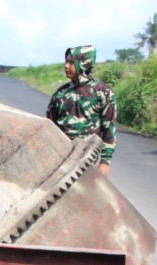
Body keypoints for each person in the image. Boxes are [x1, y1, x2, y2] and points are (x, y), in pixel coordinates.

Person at [46, 45, 116, 177]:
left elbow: (108, 130)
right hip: (60, 160)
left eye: (71, 62)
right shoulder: (59, 94)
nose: (66, 66)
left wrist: (105, 162)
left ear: (83, 63)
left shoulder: (102, 92)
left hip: (86, 161)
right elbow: (49, 128)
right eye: (66, 61)